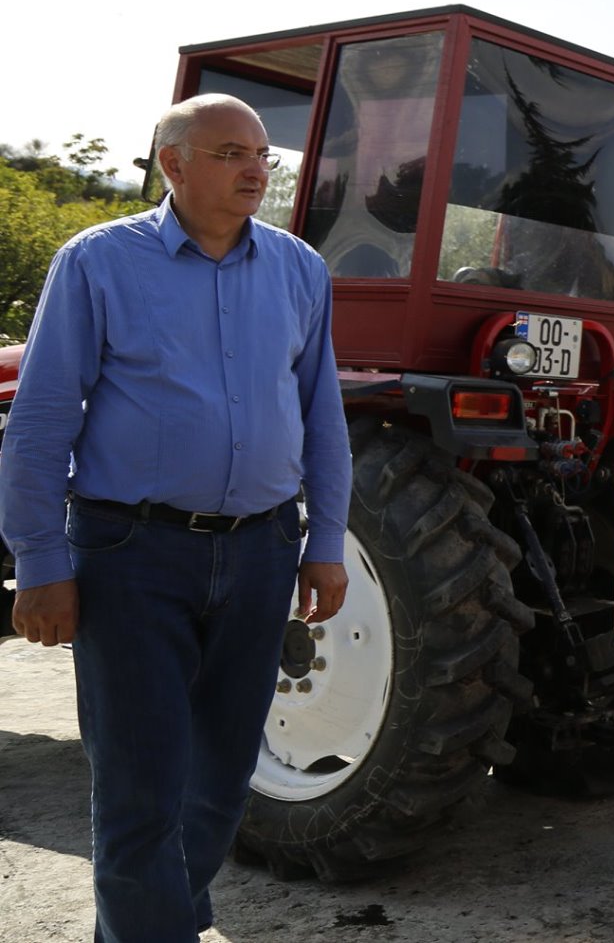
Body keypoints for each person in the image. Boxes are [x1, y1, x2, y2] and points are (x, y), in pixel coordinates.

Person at [0, 93, 352, 943]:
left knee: (220, 785)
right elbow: (41, 421)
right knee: (140, 788)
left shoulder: (300, 268)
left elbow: (322, 415)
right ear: (174, 163)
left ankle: (146, 924)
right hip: (131, 553)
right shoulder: (97, 262)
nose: (256, 170)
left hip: (263, 551)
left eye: (263, 154)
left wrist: (326, 541)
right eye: (232, 153)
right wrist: (40, 561)